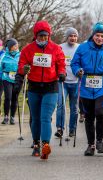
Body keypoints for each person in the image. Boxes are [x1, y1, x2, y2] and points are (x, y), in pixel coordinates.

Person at [15, 20, 66, 159]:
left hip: (51, 87)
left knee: (45, 117)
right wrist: (24, 69)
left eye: (45, 36)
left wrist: (62, 73)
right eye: (40, 36)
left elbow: (61, 63)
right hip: (34, 87)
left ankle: (45, 145)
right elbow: (21, 65)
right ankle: (36, 144)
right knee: (36, 118)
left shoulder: (56, 48)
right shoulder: (28, 49)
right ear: (35, 35)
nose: (43, 38)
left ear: (49, 35)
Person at [71, 22, 103, 156]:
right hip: (86, 85)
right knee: (89, 116)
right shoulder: (83, 48)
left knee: (100, 112)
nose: (100, 38)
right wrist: (77, 71)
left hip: (102, 86)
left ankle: (99, 141)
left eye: (102, 36)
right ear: (93, 35)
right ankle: (90, 145)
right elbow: (75, 63)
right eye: (97, 35)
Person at [55, 27, 80, 138]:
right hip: (62, 82)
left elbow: (83, 62)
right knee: (61, 105)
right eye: (71, 36)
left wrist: (81, 71)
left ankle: (72, 129)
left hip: (75, 81)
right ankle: (60, 128)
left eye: (75, 36)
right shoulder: (60, 47)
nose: (73, 38)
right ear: (67, 37)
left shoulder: (80, 48)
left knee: (74, 107)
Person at [0, 38, 20, 125]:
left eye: (16, 45)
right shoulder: (4, 56)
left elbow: (23, 64)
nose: (16, 47)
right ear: (9, 47)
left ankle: (12, 117)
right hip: (6, 78)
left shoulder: (20, 55)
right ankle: (6, 116)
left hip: (17, 79)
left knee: (14, 98)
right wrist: (2, 76)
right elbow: (0, 67)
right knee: (8, 97)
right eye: (14, 45)